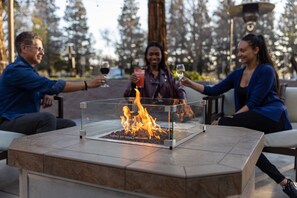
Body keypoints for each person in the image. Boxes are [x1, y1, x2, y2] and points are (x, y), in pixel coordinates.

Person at [181, 33, 297, 198]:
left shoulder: (266, 70)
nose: (239, 54)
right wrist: (189, 83)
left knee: (223, 125)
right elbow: (214, 90)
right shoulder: (238, 74)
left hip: (273, 116)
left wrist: (230, 120)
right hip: (253, 117)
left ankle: (221, 174)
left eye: (243, 50)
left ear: (256, 50)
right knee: (245, 142)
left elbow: (253, 103)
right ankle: (284, 182)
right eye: (239, 50)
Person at [0, 31, 106, 135]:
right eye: (39, 48)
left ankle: (57, 152)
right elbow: (51, 85)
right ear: (24, 48)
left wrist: (47, 93)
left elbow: (42, 87)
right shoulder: (16, 70)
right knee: (47, 119)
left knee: (68, 125)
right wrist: (87, 84)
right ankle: (37, 152)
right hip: (8, 121)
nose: (42, 52)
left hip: (23, 119)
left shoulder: (29, 71)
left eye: (43, 49)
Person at [124, 41, 194, 121]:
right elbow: (128, 97)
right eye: (151, 54)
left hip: (167, 116)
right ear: (146, 56)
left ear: (161, 56)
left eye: (157, 54)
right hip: (146, 116)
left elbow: (179, 89)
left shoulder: (167, 73)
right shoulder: (140, 73)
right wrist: (133, 84)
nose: (154, 57)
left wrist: (185, 103)